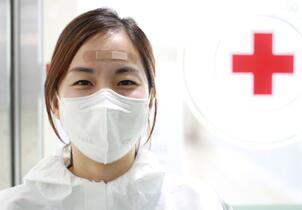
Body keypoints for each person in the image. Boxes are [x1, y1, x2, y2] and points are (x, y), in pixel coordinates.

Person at [0, 8, 232, 210]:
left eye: (125, 82)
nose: (105, 100)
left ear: (149, 100)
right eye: (83, 82)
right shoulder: (15, 206)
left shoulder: (197, 204)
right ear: (55, 102)